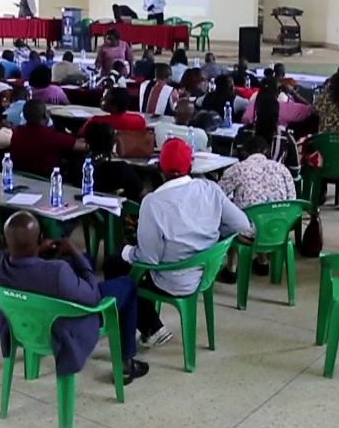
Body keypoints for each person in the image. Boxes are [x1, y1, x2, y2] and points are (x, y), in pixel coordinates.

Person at [103, 138, 252, 346]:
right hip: (205, 272)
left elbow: (150, 258)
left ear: (159, 168)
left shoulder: (152, 203)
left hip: (172, 280)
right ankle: (151, 326)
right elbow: (242, 224)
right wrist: (213, 235)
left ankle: (151, 328)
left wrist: (126, 251)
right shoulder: (210, 188)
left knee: (113, 266)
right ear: (190, 167)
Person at [0, 212, 149, 385]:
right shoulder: (57, 272)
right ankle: (126, 362)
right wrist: (75, 252)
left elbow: (18, 264)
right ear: (40, 240)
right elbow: (93, 297)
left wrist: (35, 251)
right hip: (63, 328)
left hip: (21, 326)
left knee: (85, 260)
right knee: (127, 285)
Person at [218, 135, 299, 278]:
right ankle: (262, 262)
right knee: (264, 211)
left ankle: (231, 268)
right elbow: (292, 200)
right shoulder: (282, 169)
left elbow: (218, 196)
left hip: (248, 233)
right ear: (266, 151)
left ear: (244, 152)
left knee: (229, 217)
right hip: (278, 229)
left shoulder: (238, 169)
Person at [9, 100, 84, 177]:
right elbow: (84, 147)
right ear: (45, 115)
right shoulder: (53, 136)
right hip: (48, 182)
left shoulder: (17, 132)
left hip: (19, 178)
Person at [246, 87, 300, 175]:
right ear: (277, 114)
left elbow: (233, 162)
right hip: (277, 185)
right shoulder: (286, 139)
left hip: (245, 183)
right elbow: (295, 170)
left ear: (256, 112)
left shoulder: (243, 133)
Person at [81, 87, 146, 134]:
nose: (101, 99)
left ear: (114, 107)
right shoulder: (139, 120)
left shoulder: (96, 121)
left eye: (105, 99)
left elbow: (81, 135)